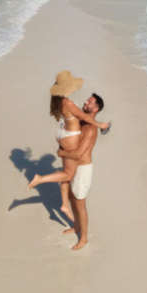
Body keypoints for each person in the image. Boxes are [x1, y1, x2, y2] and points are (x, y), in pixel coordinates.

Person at [27, 72, 109, 220]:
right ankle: (40, 179)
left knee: (65, 173)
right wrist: (100, 124)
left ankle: (64, 205)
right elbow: (84, 117)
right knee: (69, 175)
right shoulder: (68, 103)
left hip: (63, 133)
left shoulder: (59, 101)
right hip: (70, 137)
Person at [57, 93, 104, 250]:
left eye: (89, 102)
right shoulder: (81, 120)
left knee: (80, 203)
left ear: (95, 108)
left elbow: (78, 153)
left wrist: (62, 153)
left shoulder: (90, 129)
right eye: (87, 100)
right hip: (73, 166)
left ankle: (84, 238)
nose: (85, 102)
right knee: (71, 196)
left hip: (83, 169)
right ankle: (76, 227)